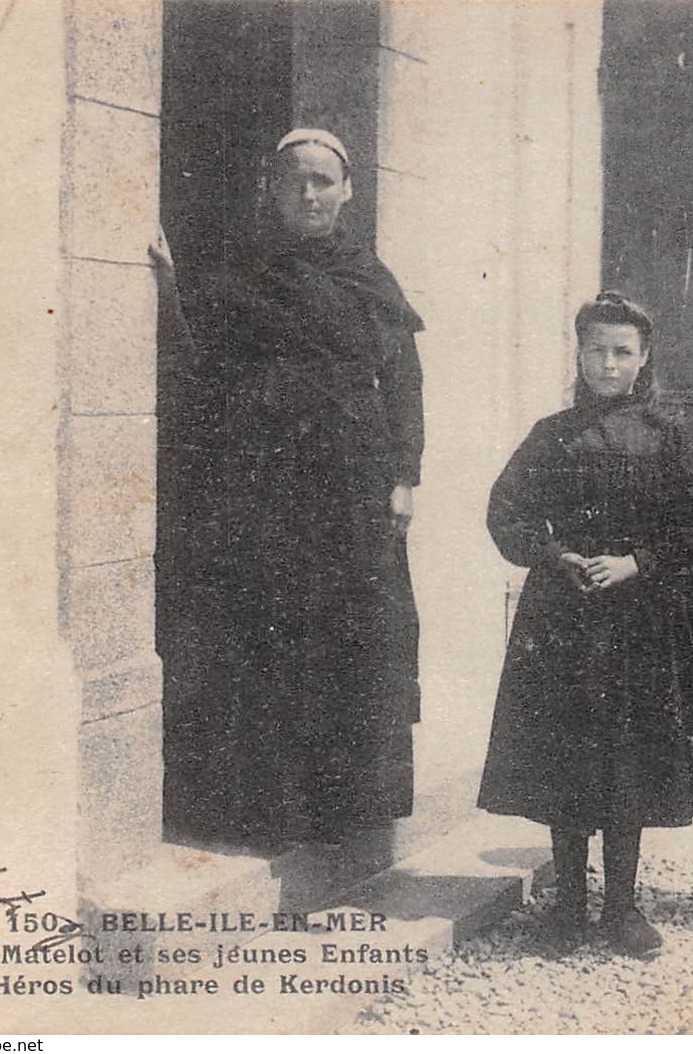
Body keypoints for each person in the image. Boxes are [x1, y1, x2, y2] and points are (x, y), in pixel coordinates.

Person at [150, 128, 424, 850]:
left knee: (348, 638)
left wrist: (403, 479)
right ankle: (270, 811)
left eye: (323, 182)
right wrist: (170, 290)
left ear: (347, 190)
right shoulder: (247, 271)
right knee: (272, 635)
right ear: (273, 190)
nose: (309, 195)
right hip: (269, 482)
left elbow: (403, 384)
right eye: (295, 181)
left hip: (353, 485)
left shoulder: (370, 277)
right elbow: (204, 366)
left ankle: (343, 812)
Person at [477, 292, 693, 959]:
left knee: (627, 760)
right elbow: (505, 512)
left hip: (637, 622)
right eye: (595, 350)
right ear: (579, 353)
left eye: (621, 352)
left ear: (643, 360)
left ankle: (621, 907)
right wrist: (554, 555)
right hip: (562, 621)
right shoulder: (551, 434)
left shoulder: (666, 440)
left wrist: (637, 562)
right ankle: (568, 907)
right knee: (567, 759)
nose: (607, 365)